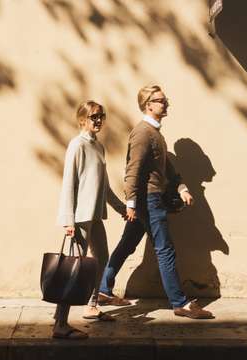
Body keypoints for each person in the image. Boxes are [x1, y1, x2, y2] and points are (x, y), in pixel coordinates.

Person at [98, 84, 214, 319]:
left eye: (165, 99)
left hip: (148, 199)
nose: (166, 103)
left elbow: (165, 166)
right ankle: (179, 303)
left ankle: (103, 288)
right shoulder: (143, 133)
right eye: (161, 100)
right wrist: (131, 203)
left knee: (127, 244)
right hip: (148, 199)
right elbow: (133, 171)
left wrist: (181, 186)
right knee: (165, 249)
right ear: (148, 104)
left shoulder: (155, 133)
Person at [54, 100, 126, 339]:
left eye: (101, 116)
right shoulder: (77, 145)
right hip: (80, 218)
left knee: (101, 259)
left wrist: (120, 208)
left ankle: (92, 306)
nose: (98, 120)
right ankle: (60, 324)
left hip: (95, 216)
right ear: (82, 119)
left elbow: (103, 186)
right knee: (72, 269)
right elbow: (68, 184)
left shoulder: (99, 147)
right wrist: (68, 220)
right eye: (94, 116)